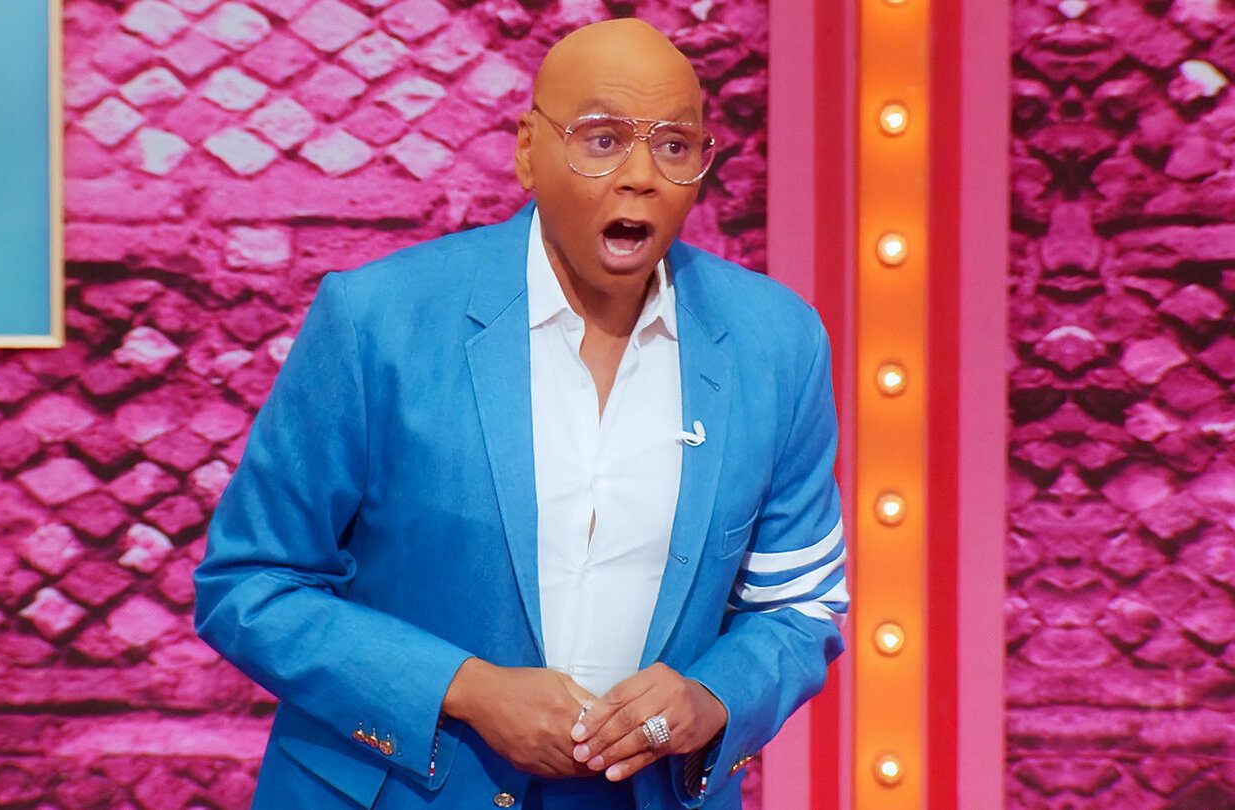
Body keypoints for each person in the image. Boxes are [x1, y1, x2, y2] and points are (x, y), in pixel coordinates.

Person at [194, 17, 847, 810]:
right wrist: (467, 689)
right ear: (528, 151)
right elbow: (252, 583)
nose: (641, 175)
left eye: (675, 146)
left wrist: (711, 698)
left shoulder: (777, 343)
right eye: (603, 140)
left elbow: (800, 605)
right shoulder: (376, 320)